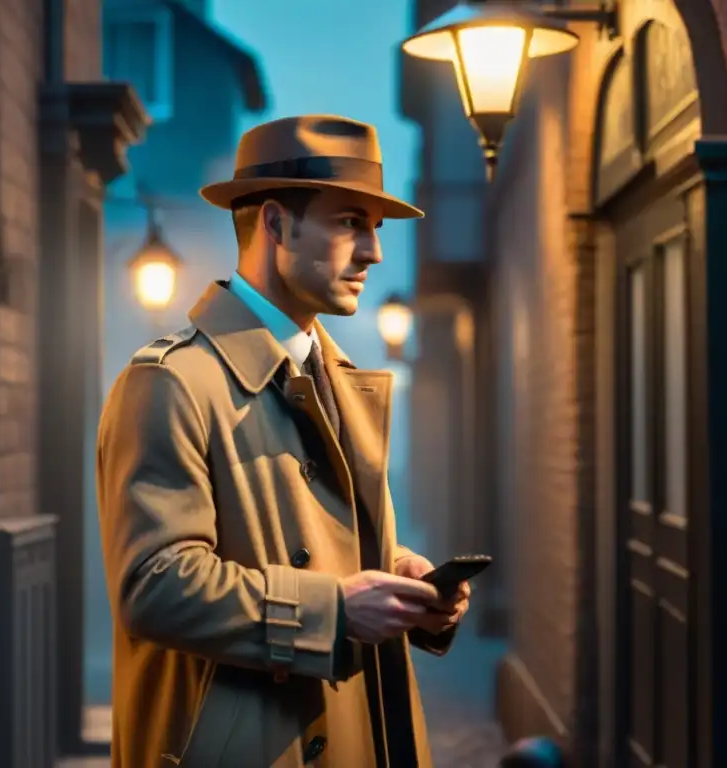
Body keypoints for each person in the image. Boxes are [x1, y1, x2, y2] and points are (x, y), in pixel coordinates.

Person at [97, 115, 472, 768]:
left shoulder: (337, 377)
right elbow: (154, 585)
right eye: (350, 222)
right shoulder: (171, 382)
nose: (374, 252)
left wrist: (400, 578)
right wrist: (335, 609)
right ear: (274, 224)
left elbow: (306, 536)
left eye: (377, 228)